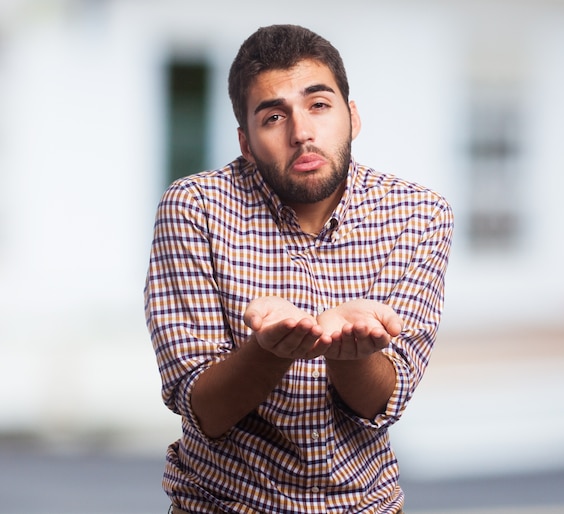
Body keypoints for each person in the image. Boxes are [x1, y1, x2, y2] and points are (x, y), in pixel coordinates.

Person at [144, 24, 454, 514]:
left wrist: (347, 349)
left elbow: (383, 405)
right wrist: (269, 350)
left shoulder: (418, 216)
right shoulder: (195, 208)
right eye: (273, 117)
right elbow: (203, 409)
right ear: (246, 143)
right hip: (223, 505)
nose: (302, 133)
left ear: (351, 116)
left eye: (319, 105)